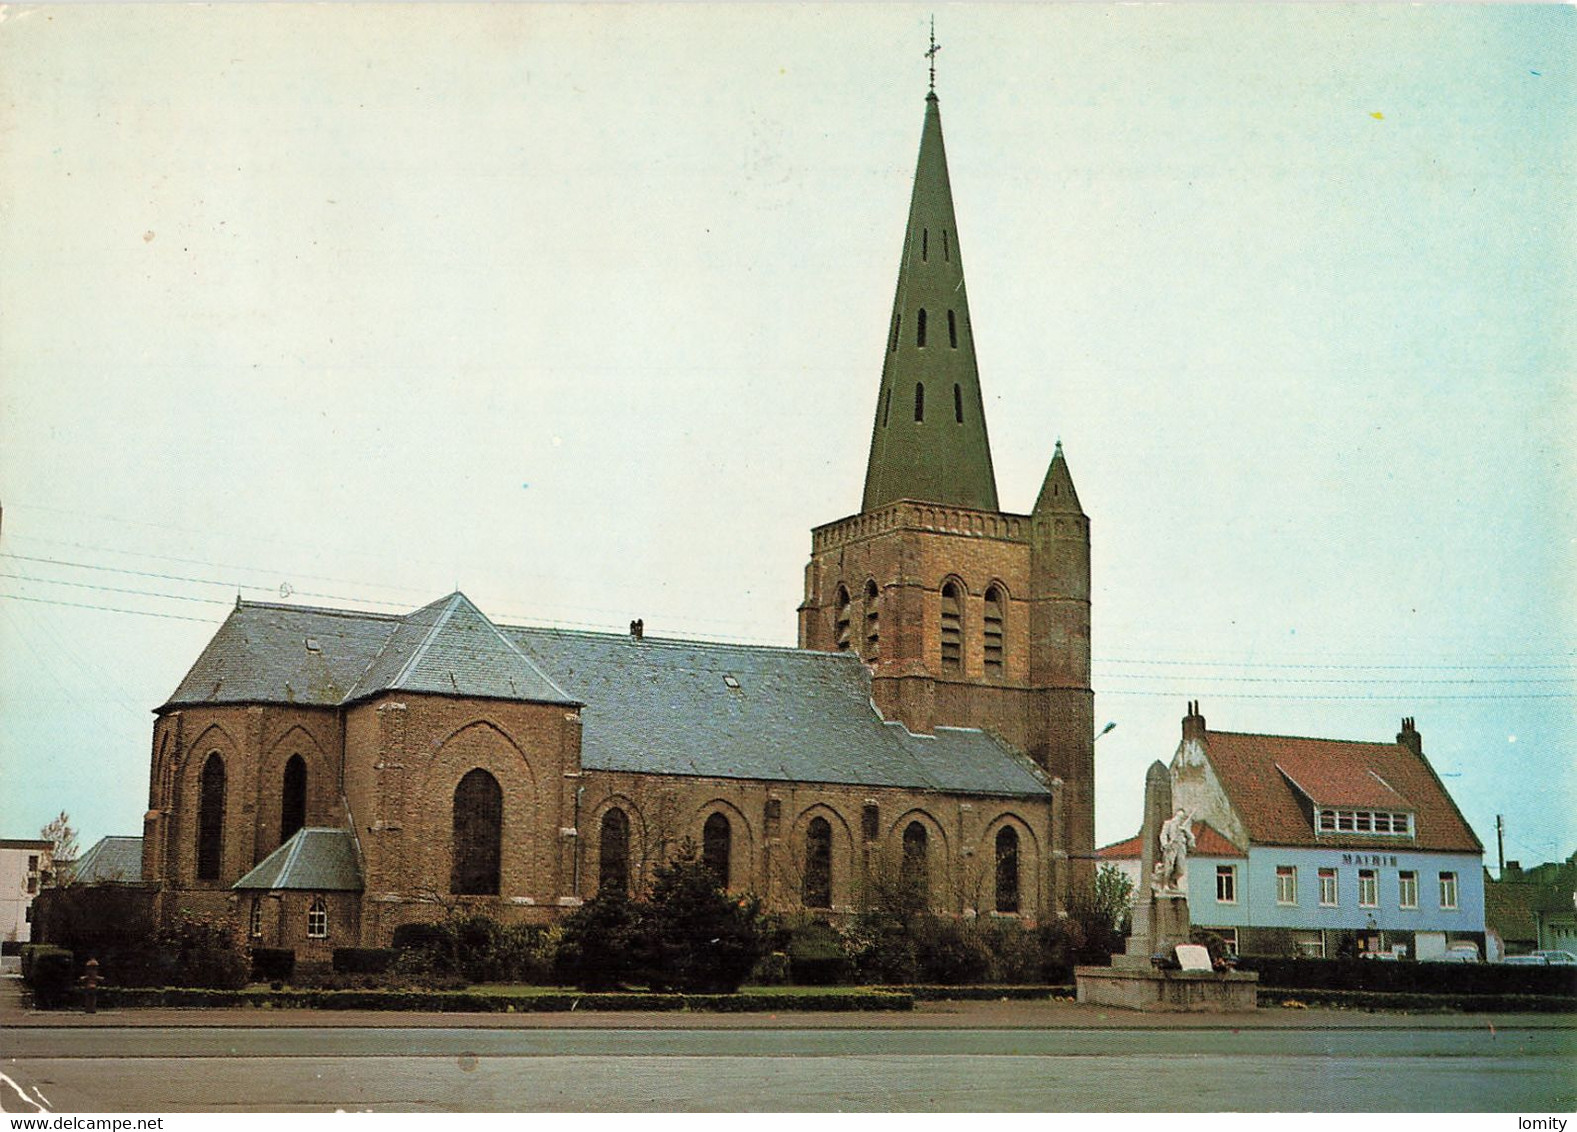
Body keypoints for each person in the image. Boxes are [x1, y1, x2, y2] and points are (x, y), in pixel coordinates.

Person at [1155, 807, 1195, 892]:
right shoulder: (1168, 823)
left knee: (1181, 870)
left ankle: (1172, 881)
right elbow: (1163, 834)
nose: (1179, 819)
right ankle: (1165, 884)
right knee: (1169, 866)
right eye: (1178, 816)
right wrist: (1165, 844)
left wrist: (1185, 831)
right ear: (1175, 815)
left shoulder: (1185, 826)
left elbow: (1191, 837)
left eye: (1181, 817)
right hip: (1172, 845)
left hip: (1181, 846)